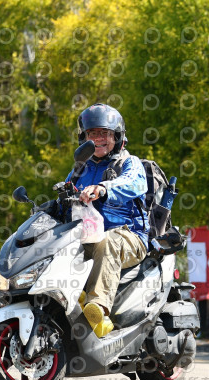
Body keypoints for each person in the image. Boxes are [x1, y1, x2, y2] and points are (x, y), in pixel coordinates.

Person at [66, 103, 148, 337]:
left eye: (105, 133)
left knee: (107, 240)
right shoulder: (79, 170)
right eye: (92, 133)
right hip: (86, 236)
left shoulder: (129, 163)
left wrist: (103, 188)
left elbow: (133, 182)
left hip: (128, 236)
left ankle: (98, 309)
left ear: (117, 137)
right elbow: (64, 195)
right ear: (84, 138)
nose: (98, 138)